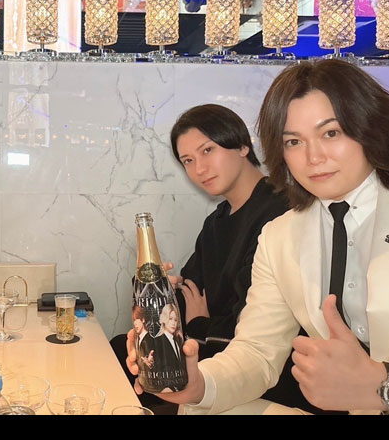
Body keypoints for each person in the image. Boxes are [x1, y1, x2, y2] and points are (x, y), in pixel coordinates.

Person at [153, 59, 389, 415]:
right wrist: (197, 383)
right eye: (294, 141)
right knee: (198, 407)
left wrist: (388, 386)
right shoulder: (280, 235)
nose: (313, 157)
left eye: (331, 133)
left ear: (369, 127)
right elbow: (257, 351)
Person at [116, 104, 290, 412]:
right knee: (119, 349)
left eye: (207, 150)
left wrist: (199, 322)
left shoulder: (280, 212)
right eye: (188, 160)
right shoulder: (216, 221)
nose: (199, 169)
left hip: (253, 365)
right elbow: (190, 290)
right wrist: (162, 291)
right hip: (209, 343)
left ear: (242, 145)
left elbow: (250, 320)